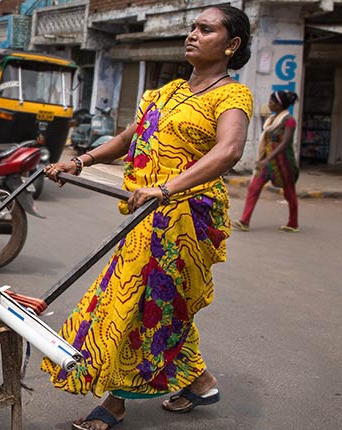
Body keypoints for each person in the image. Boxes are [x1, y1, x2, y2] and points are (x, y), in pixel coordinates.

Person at [41, 6, 253, 430]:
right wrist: (80, 161)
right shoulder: (168, 91)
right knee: (162, 304)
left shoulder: (232, 96)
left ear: (231, 46)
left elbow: (228, 151)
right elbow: (126, 139)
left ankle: (114, 403)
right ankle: (200, 382)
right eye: (192, 27)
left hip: (187, 221)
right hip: (148, 215)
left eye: (205, 29)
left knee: (135, 303)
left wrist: (167, 188)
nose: (192, 34)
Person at [235, 90, 300, 232]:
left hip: (283, 162)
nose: (269, 104)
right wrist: (264, 159)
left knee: (289, 192)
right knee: (253, 187)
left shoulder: (289, 120)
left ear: (279, 104)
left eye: (271, 102)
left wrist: (268, 158)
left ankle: (293, 223)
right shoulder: (271, 120)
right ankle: (244, 221)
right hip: (267, 161)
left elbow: (285, 144)